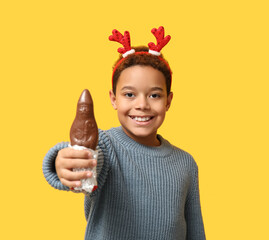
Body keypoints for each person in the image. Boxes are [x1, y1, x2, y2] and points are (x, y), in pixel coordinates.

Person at [42, 26, 206, 240]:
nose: (142, 105)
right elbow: (86, 156)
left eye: (154, 95)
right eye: (129, 94)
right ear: (113, 99)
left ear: (169, 101)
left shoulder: (186, 163)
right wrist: (63, 161)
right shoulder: (106, 148)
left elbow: (195, 230)